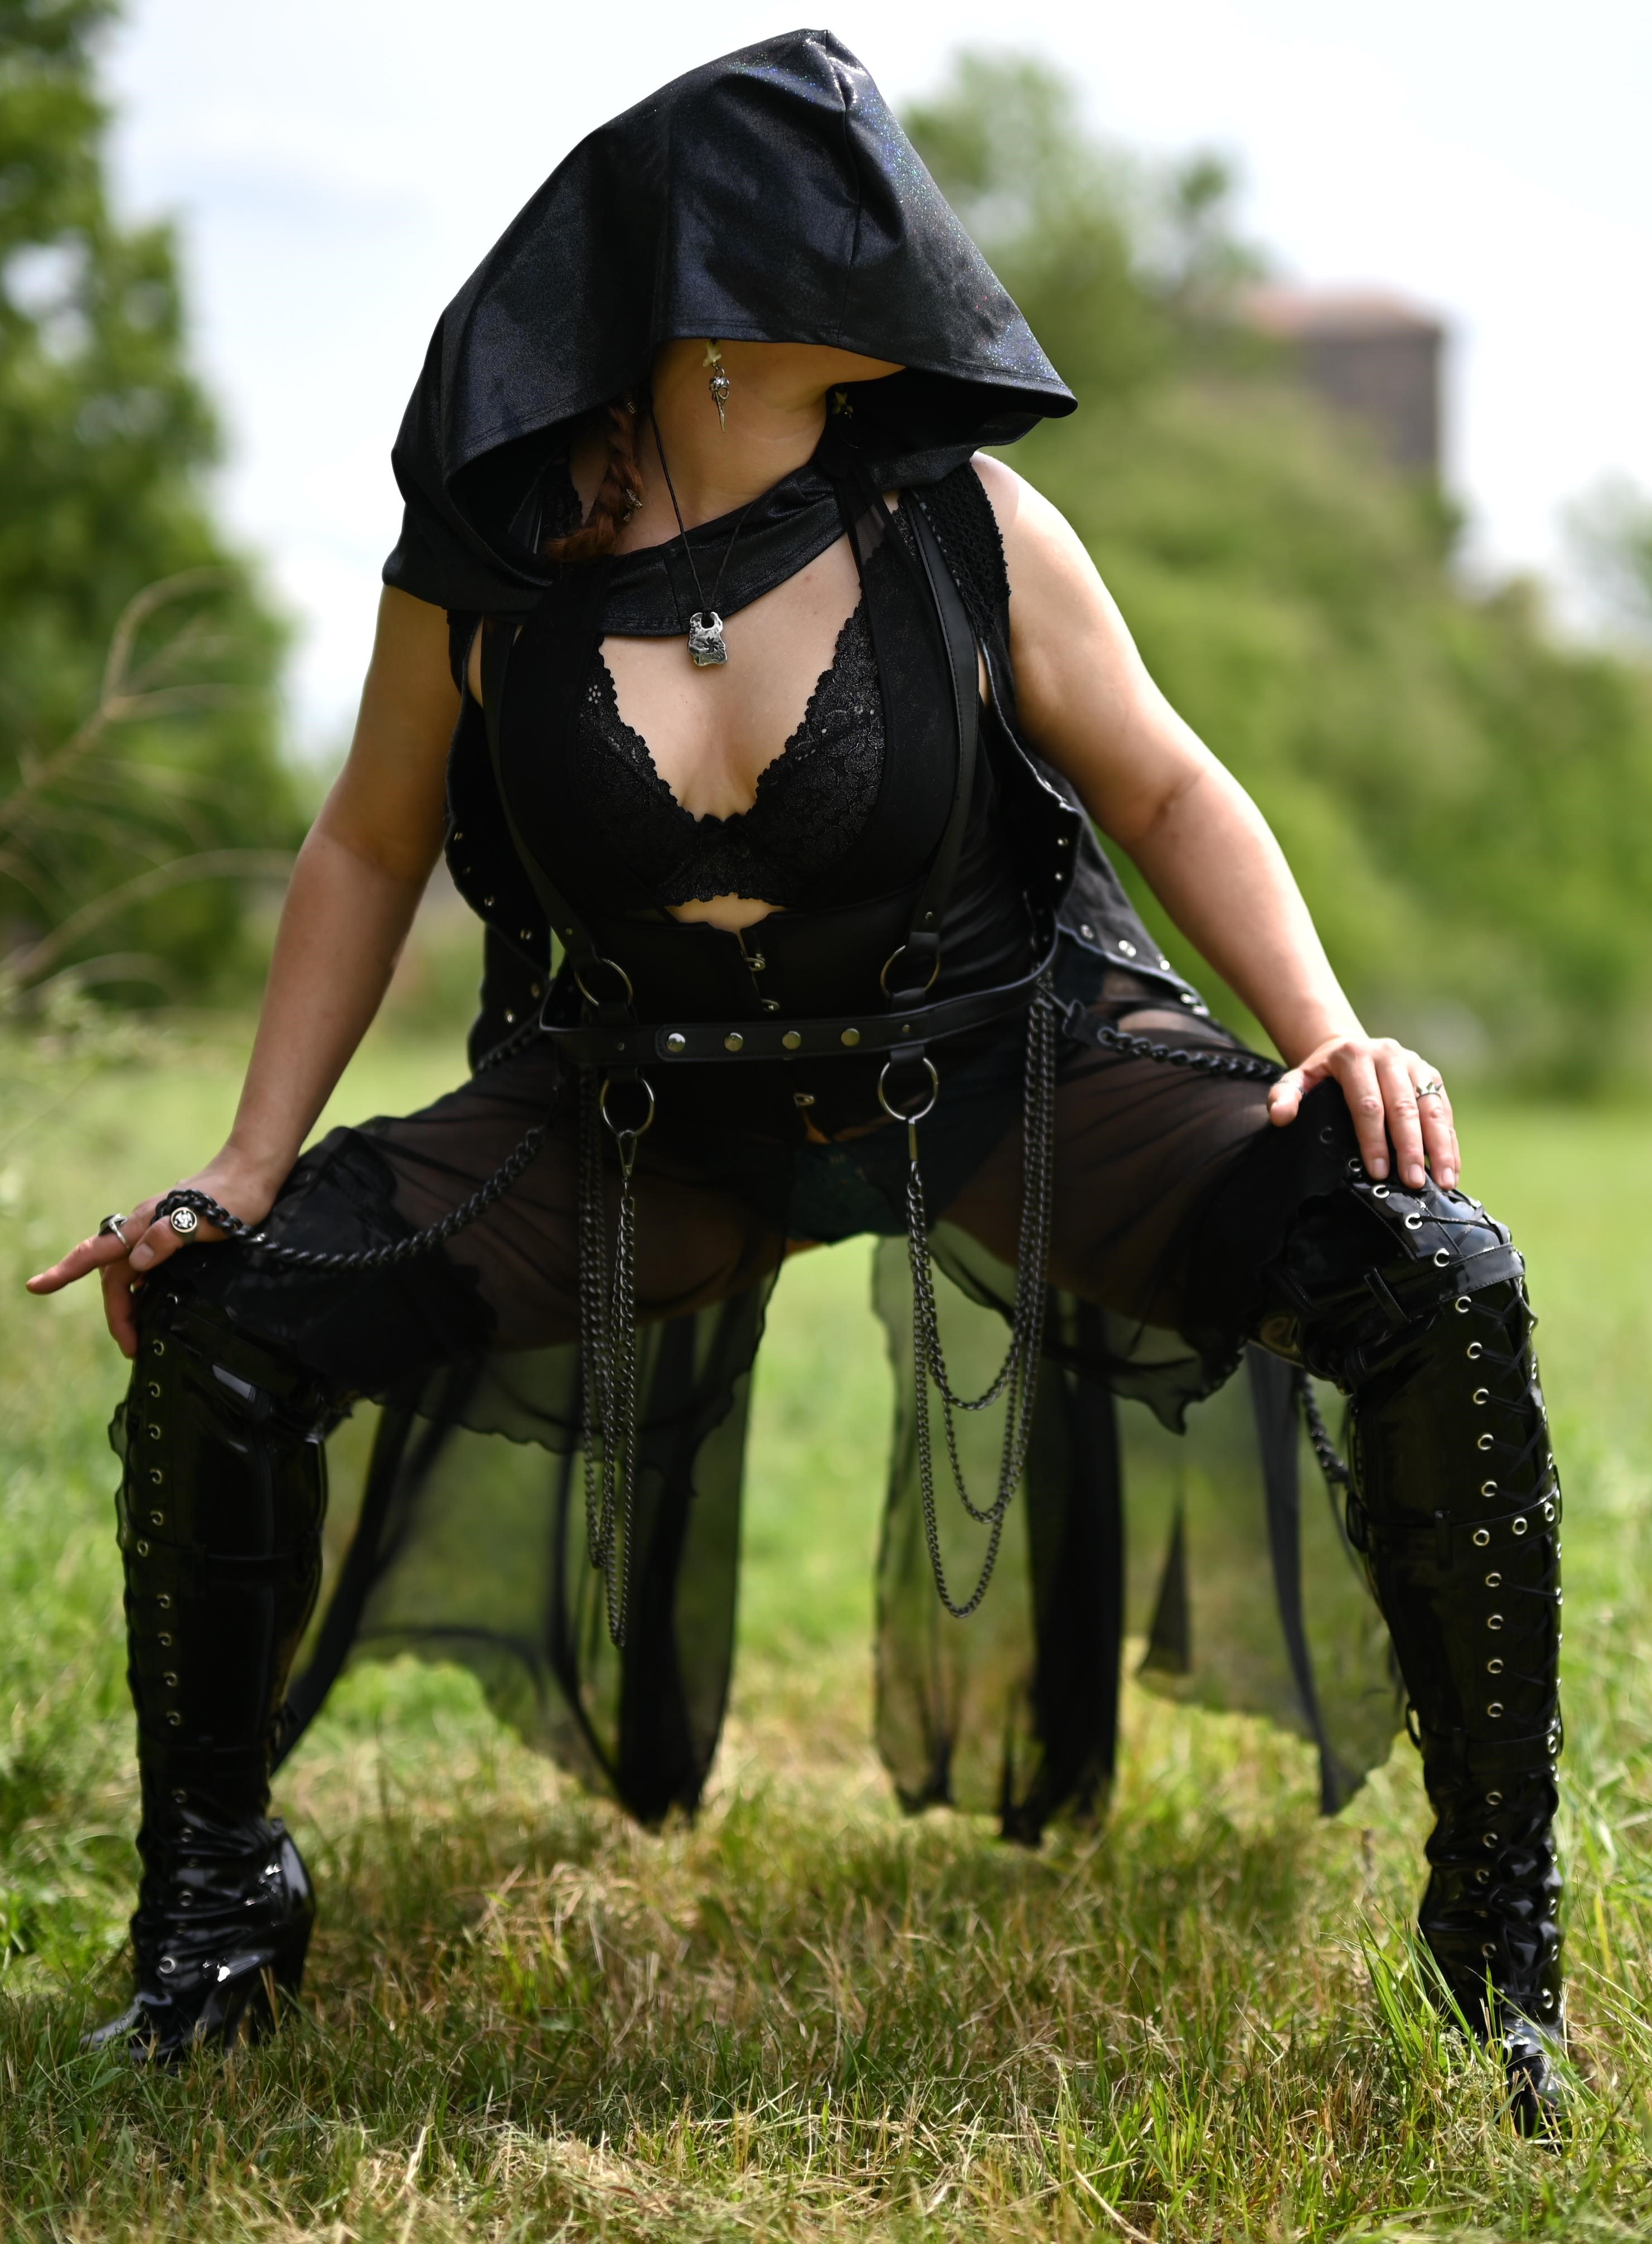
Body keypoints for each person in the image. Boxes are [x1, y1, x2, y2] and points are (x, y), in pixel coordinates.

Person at [27, 32, 1563, 2129]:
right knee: (217, 1317)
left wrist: (1327, 1036)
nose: (920, 255)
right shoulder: (488, 561)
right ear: (715, 297)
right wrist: (243, 1159)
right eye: (856, 220)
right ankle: (216, 1909)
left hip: (1002, 1076)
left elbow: (1166, 784)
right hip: (636, 1122)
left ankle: (1496, 1940)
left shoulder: (967, 521)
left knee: (1430, 1271)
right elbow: (369, 847)